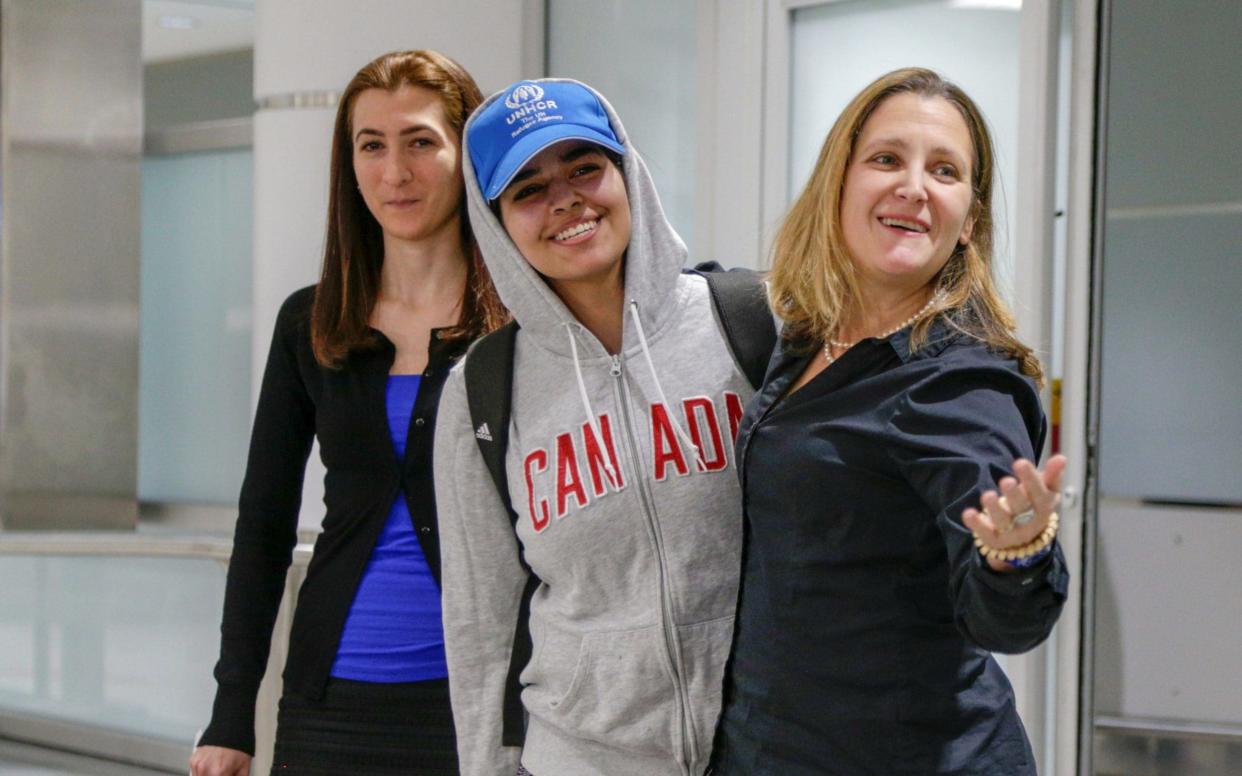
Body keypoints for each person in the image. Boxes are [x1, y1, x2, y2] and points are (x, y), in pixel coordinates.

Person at [710, 67, 1069, 775]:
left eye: (944, 170)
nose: (913, 186)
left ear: (970, 222)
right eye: (886, 159)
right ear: (838, 183)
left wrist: (1016, 555)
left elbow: (1002, 618)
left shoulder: (962, 384)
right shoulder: (805, 338)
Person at [189, 50, 506, 776]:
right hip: (327, 702)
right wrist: (231, 713)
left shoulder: (517, 327)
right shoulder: (313, 322)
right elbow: (264, 524)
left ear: (466, 154)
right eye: (372, 145)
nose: (395, 173)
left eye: (421, 141)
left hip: (480, 701)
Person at [433, 78, 754, 776]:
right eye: (527, 189)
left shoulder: (750, 326)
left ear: (627, 172)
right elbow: (480, 621)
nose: (566, 200)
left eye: (585, 167)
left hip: (763, 745)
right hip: (580, 757)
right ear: (496, 221)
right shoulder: (481, 393)